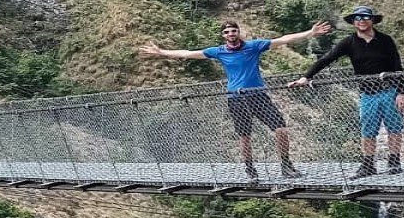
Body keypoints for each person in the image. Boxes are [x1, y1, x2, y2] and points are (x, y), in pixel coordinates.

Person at [138, 19, 335, 181]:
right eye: (227, 32)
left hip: (258, 95)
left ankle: (286, 165)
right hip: (236, 98)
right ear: (223, 36)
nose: (231, 34)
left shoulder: (253, 47)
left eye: (233, 31)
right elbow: (188, 54)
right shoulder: (219, 51)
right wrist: (162, 52)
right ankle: (250, 170)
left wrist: (310, 33)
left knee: (281, 129)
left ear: (238, 32)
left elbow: (284, 40)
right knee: (245, 136)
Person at [289, 6, 404, 178]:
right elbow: (327, 58)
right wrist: (306, 77)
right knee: (368, 130)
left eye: (365, 17)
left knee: (394, 127)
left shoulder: (385, 40)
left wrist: (402, 92)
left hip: (389, 90)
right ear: (353, 22)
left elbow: (397, 65)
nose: (361, 20)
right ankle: (368, 165)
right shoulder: (349, 42)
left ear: (372, 20)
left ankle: (394, 162)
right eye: (358, 18)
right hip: (367, 93)